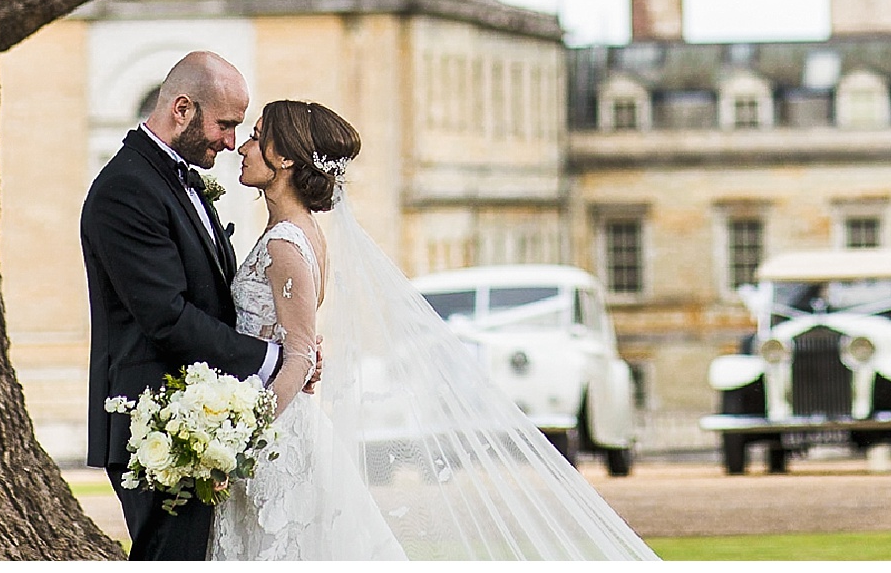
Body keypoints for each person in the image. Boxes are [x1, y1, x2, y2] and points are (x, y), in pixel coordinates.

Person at [212, 100, 655, 561]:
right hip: (283, 425)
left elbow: (300, 357)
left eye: (257, 135)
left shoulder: (287, 242)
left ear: (284, 158)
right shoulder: (297, 233)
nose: (242, 146)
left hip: (274, 435)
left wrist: (242, 439)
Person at [81, 52, 279, 561]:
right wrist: (268, 359)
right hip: (154, 424)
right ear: (183, 109)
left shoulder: (174, 177)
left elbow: (210, 296)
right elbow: (167, 317)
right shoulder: (126, 189)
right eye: (226, 125)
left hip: (193, 415)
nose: (232, 142)